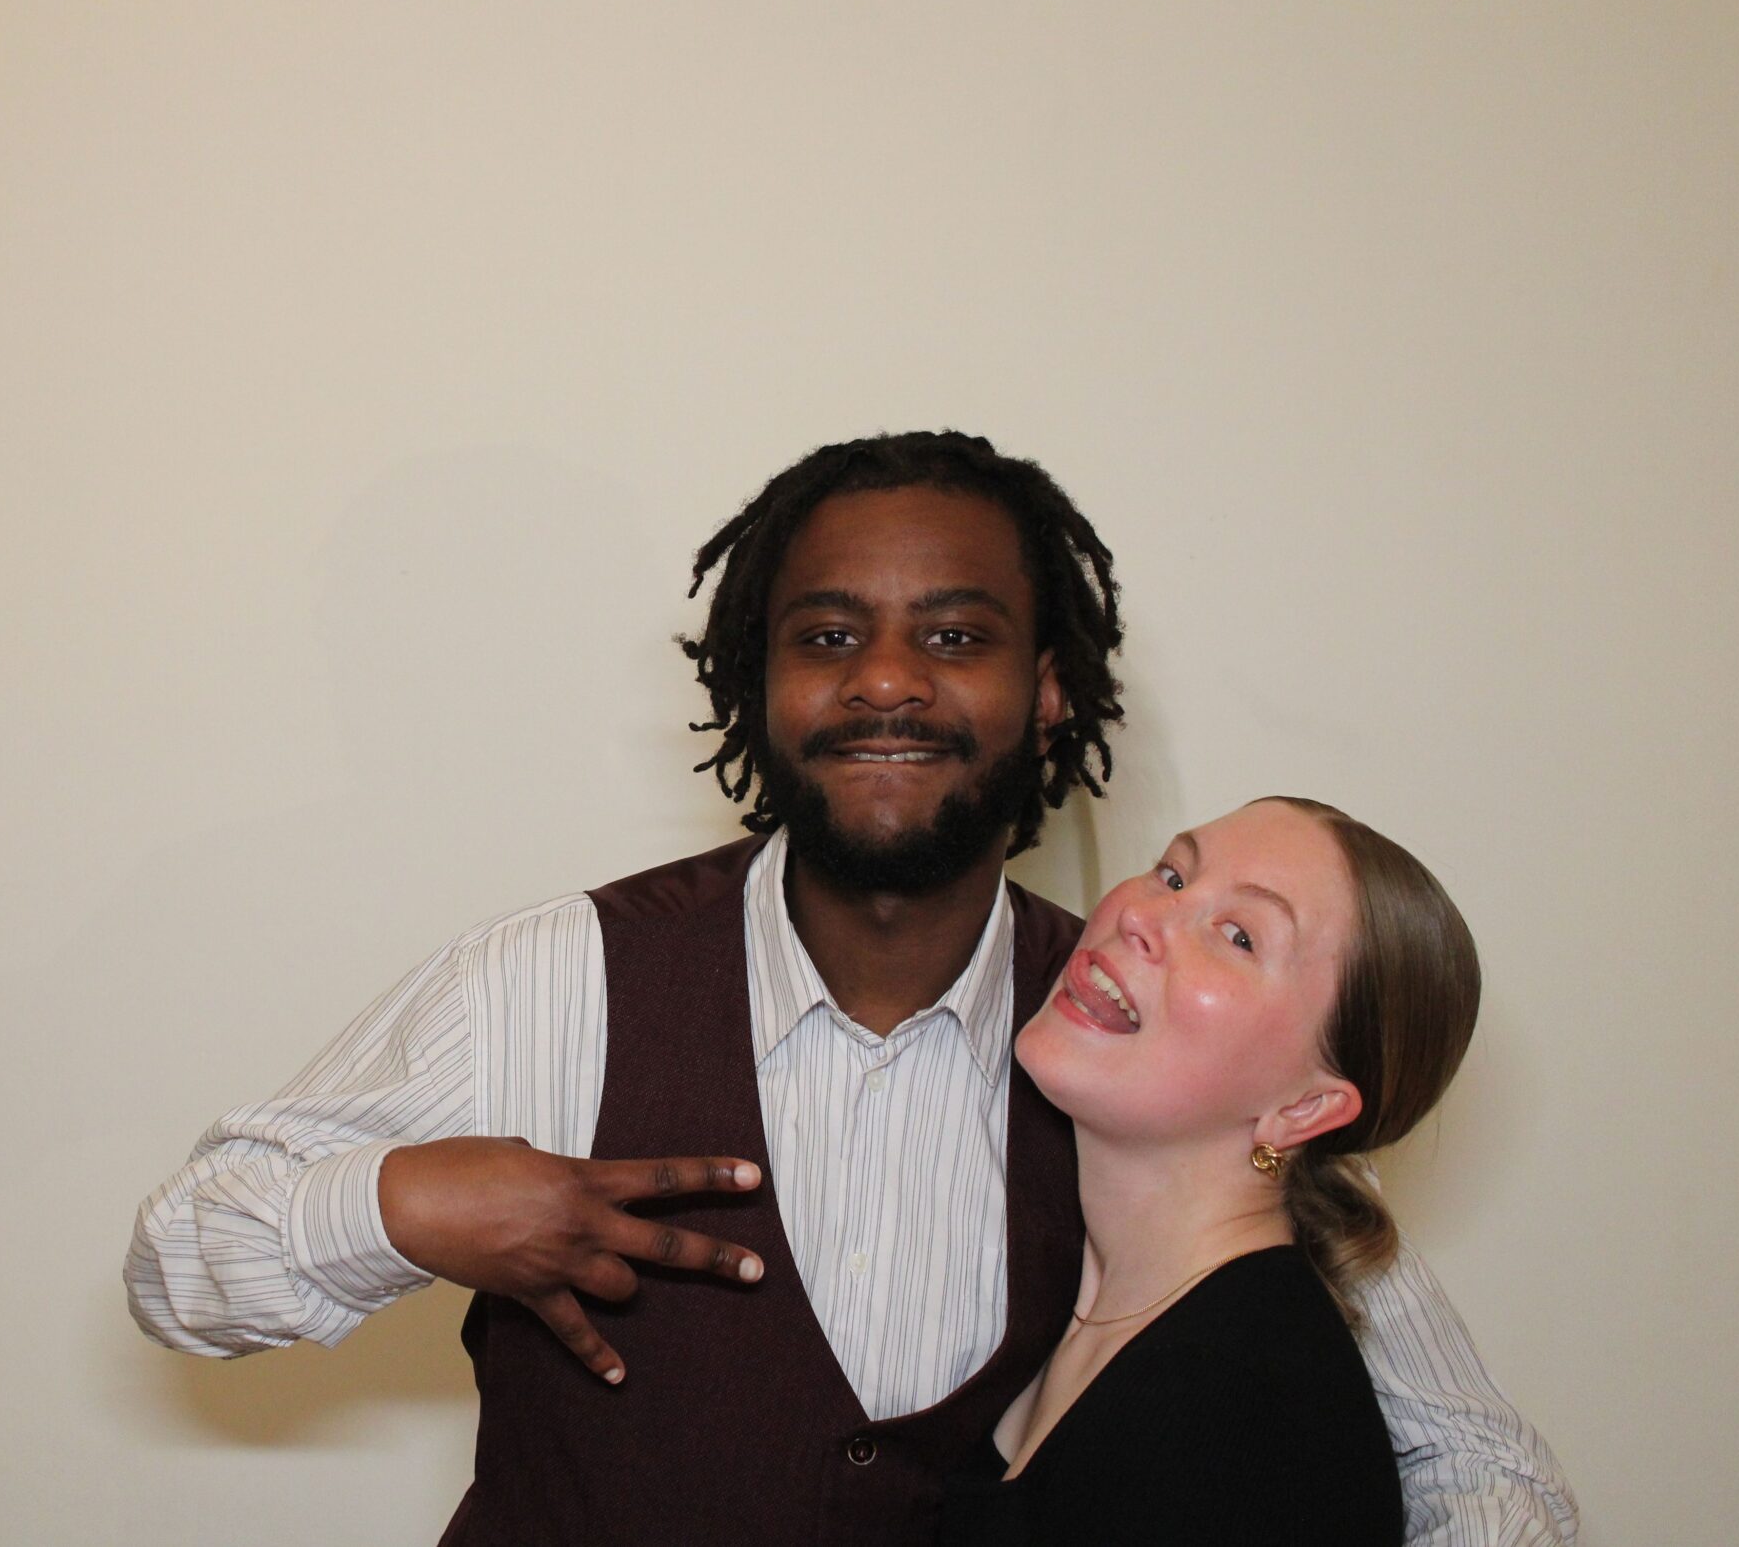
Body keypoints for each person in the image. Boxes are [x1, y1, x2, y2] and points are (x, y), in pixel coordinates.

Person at [125, 431, 1576, 1545]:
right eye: (827, 636)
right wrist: (400, 1204)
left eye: (954, 636)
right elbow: (178, 1257)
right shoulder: (552, 979)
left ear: (1048, 690)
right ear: (757, 683)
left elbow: (1481, 1466)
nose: (887, 681)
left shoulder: (1133, 1043)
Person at [939, 796, 1478, 1545]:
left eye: (1239, 936)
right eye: (1171, 874)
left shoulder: (1250, 1413)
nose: (1139, 914)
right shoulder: (1096, 1311)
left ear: (1304, 1108)